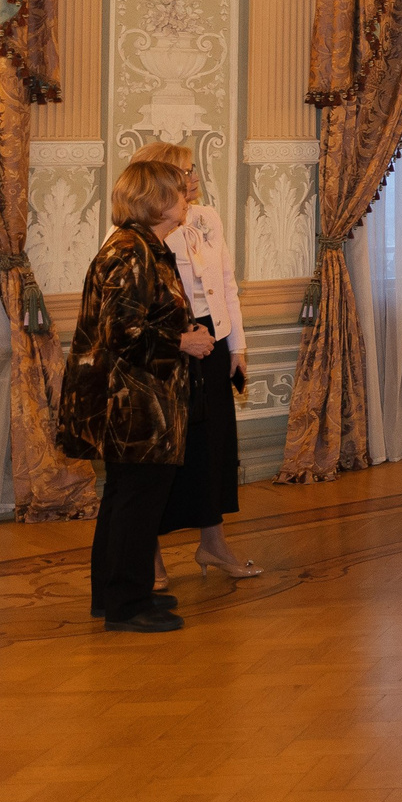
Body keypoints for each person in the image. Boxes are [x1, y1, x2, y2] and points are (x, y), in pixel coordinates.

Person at [56, 158, 214, 633]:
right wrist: (182, 341)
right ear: (159, 201)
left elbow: (141, 318)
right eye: (180, 191)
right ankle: (127, 605)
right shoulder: (130, 252)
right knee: (136, 502)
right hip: (130, 402)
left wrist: (176, 329)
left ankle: (115, 594)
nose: (188, 197)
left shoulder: (146, 247)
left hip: (139, 398)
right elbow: (120, 331)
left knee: (125, 498)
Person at [126, 142, 258, 585]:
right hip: (170, 345)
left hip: (212, 339)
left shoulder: (207, 218)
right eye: (183, 171)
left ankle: (213, 543)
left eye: (192, 169)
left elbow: (226, 283)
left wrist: (236, 347)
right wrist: (181, 341)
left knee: (213, 449)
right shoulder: (135, 234)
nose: (193, 177)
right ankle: (151, 555)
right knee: (166, 454)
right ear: (159, 181)